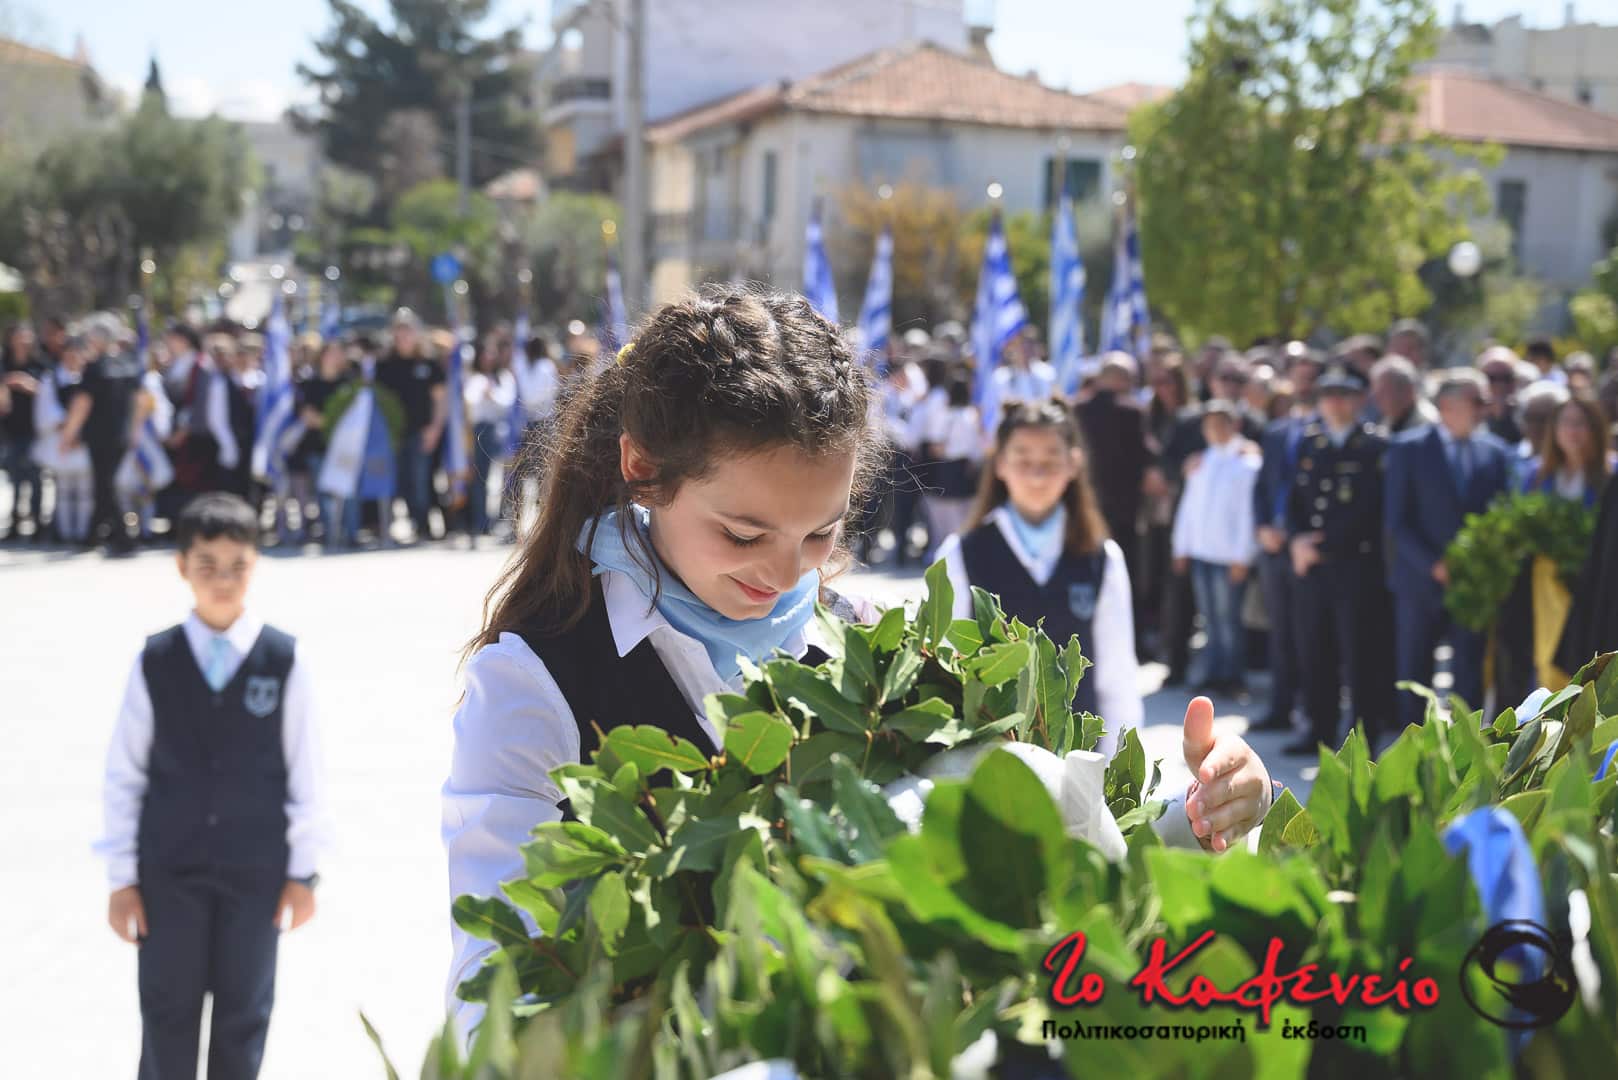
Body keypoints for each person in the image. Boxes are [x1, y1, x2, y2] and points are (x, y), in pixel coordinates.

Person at [440, 288, 1276, 1041]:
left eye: (821, 532)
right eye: (743, 533)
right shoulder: (537, 682)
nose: (785, 575)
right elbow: (496, 1005)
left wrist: (1195, 818)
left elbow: (1042, 881)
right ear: (642, 470)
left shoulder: (878, 651)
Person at [93, 492, 329, 1079]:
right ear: (181, 566)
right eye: (207, 566)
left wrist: (303, 873)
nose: (223, 581)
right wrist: (121, 877)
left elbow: (306, 774)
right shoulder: (156, 660)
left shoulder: (283, 659)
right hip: (167, 874)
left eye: (237, 567)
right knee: (166, 1019)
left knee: (244, 1019)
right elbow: (124, 774)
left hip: (256, 876)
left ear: (256, 565)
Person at [937, 398, 1143, 755]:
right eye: (1023, 459)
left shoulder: (1103, 558)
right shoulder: (960, 554)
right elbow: (944, 668)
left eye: (1050, 460)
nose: (1037, 474)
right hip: (988, 760)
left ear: (1074, 464)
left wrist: (1116, 768)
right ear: (1000, 464)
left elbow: (1117, 677)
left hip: (1079, 760)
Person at [1385, 368, 1514, 728]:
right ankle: (1414, 747)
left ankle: (1467, 747)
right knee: (1414, 673)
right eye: (1478, 401)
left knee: (1469, 674)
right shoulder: (1408, 449)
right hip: (1419, 582)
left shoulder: (1495, 452)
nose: (1486, 408)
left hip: (1472, 586)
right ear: (1446, 405)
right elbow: (1397, 521)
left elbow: (1502, 515)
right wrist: (1433, 564)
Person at [1285, 367, 1392, 756]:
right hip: (1313, 568)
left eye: (1343, 394)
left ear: (1358, 399)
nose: (1334, 402)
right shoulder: (1310, 443)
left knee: (1360, 656)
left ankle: (1361, 738)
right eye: (1327, 394)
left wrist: (1326, 546)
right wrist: (1296, 540)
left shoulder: (1374, 446)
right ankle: (1318, 730)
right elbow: (1294, 500)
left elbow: (1373, 511)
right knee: (1316, 651)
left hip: (1356, 566)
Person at [1172, 400, 1259, 696]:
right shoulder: (1201, 462)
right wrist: (1181, 547)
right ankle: (1212, 672)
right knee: (1209, 619)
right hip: (1202, 552)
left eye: (1221, 424)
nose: (1214, 430)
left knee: (1228, 619)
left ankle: (1232, 676)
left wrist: (1242, 555)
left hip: (1227, 556)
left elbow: (1247, 514)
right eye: (1209, 425)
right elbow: (1189, 508)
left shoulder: (1247, 464)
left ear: (1234, 425)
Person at [375, 309, 446, 542]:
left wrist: (435, 428)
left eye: (408, 331)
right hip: (393, 435)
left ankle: (423, 525)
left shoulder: (429, 364)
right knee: (400, 481)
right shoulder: (384, 365)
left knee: (421, 481)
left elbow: (440, 400)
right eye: (400, 331)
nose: (404, 336)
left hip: (422, 433)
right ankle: (407, 521)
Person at [915, 372, 983, 559]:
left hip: (948, 468)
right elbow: (978, 446)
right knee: (964, 515)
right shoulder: (972, 415)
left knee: (945, 519)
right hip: (967, 468)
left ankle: (945, 555)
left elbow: (937, 447)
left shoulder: (947, 416)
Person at [463, 337, 516, 540]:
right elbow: (471, 400)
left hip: (501, 431)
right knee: (481, 478)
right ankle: (481, 522)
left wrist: (492, 394)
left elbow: (507, 402)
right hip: (481, 431)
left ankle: (501, 520)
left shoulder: (504, 377)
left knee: (503, 478)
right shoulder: (475, 378)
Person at [1520, 395, 1612, 506]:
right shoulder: (1536, 473)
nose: (1572, 430)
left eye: (1580, 422)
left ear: (1596, 428)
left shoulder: (1612, 474)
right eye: (1565, 422)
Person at [2, 320, 48, 540]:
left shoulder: (39, 364)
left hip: (35, 430)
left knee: (35, 478)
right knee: (15, 479)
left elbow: (49, 394)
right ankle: (14, 522)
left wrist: (29, 385)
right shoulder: (4, 364)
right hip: (10, 430)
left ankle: (38, 522)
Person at [1370, 355, 1435, 436]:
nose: (1377, 398)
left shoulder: (1427, 427)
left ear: (1407, 390)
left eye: (1384, 391)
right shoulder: (1389, 421)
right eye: (1377, 392)